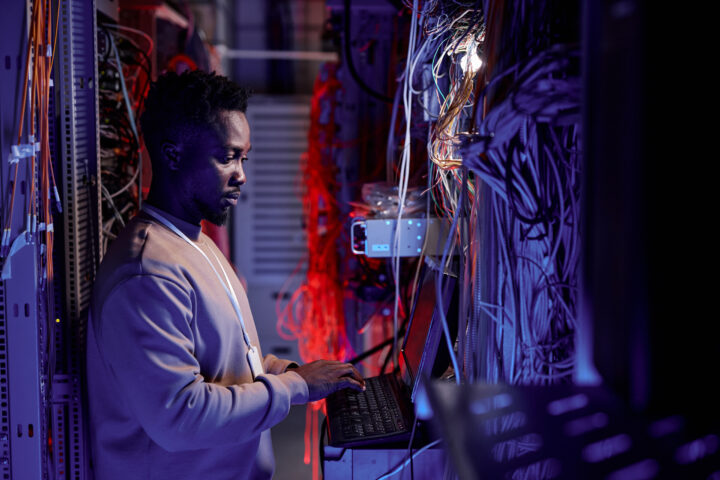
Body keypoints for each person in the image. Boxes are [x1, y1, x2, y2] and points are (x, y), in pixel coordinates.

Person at [85, 70, 365, 480]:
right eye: (226, 156)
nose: (241, 174)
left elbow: (224, 366)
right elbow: (180, 417)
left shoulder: (193, 243)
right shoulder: (147, 274)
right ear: (173, 154)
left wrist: (285, 372)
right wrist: (296, 387)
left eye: (244, 158)